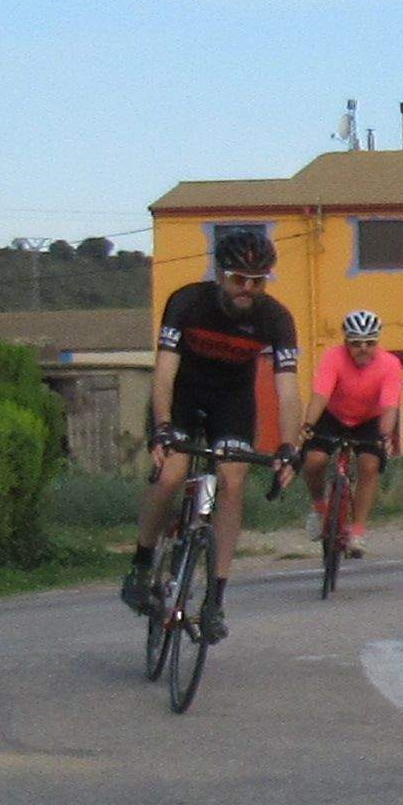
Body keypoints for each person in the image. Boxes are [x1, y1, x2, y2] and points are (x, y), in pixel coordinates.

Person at [121, 229, 301, 641]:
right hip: (183, 395)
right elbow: (164, 371)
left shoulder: (275, 318)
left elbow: (287, 389)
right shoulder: (187, 302)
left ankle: (215, 600)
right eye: (239, 279)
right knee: (170, 476)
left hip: (232, 401)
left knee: (233, 481)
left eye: (258, 281)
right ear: (220, 274)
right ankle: (142, 564)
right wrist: (163, 427)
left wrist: (289, 447)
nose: (248, 289)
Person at [297, 310, 402, 557]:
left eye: (370, 343)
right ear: (346, 342)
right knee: (314, 460)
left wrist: (385, 436)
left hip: (369, 419)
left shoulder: (390, 364)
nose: (363, 349)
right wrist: (308, 425)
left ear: (377, 342)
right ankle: (320, 508)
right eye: (356, 343)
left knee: (369, 465)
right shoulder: (333, 358)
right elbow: (321, 395)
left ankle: (357, 532)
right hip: (333, 415)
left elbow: (389, 407)